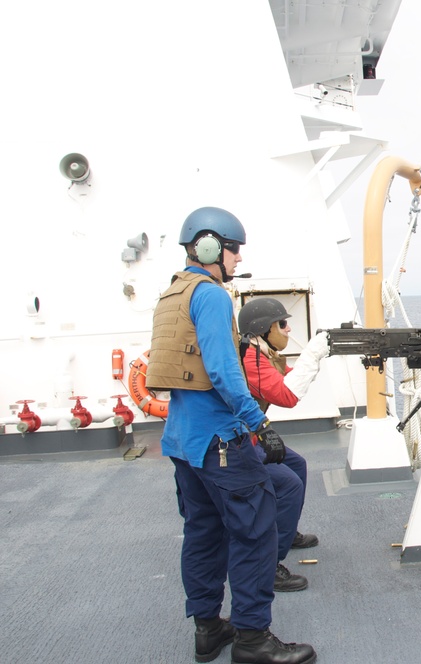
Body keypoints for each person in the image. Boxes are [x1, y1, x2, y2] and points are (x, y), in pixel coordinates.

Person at [146, 206, 316, 664]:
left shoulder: (172, 295)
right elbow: (223, 371)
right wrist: (258, 424)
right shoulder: (213, 296)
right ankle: (253, 640)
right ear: (209, 246)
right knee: (256, 532)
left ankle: (208, 629)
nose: (238, 259)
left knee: (202, 533)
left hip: (183, 443)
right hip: (220, 441)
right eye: (234, 248)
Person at [236, 298, 330, 593]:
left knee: (296, 464)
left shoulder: (264, 353)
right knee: (288, 484)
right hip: (239, 443)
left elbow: (288, 379)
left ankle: (286, 534)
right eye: (282, 324)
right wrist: (313, 353)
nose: (288, 329)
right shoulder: (250, 359)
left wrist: (317, 358)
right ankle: (271, 564)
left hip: (251, 437)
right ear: (263, 329)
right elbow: (287, 396)